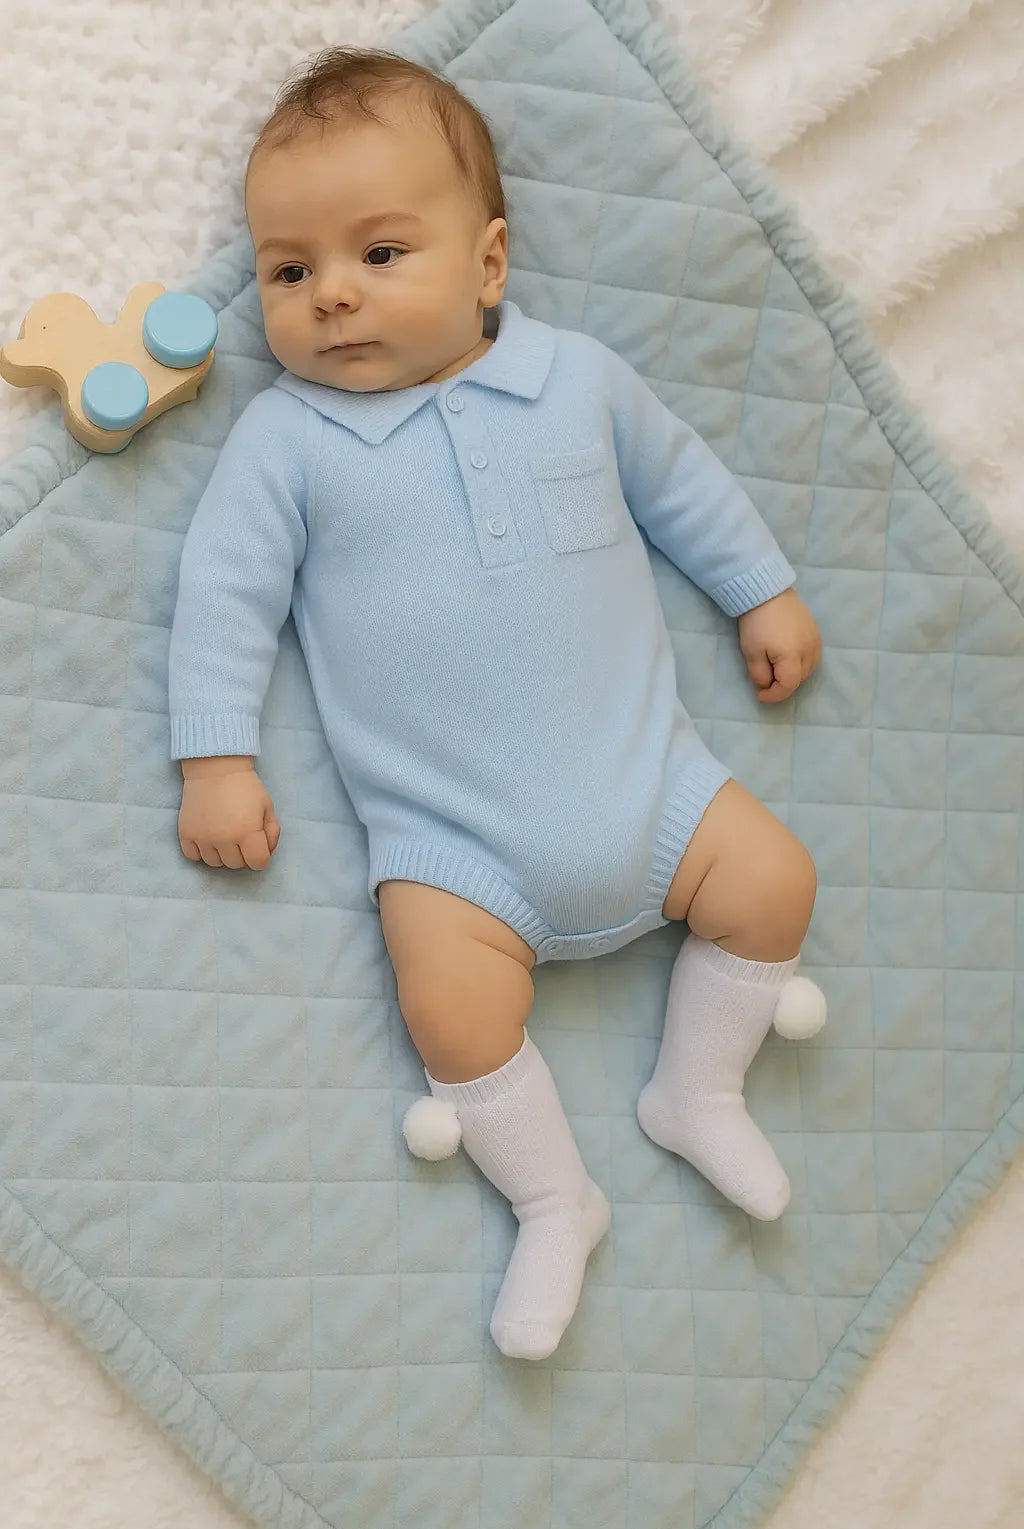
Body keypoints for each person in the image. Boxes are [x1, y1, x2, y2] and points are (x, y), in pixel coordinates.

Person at [168, 48, 821, 1362]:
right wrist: (214, 758)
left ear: (489, 263)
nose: (332, 294)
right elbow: (223, 596)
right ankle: (550, 1197)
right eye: (289, 272)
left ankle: (696, 1091)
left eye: (381, 253)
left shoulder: (579, 380)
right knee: (449, 1012)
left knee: (778, 882)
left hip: (656, 795)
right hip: (457, 853)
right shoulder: (289, 442)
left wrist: (762, 589)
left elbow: (682, 484)